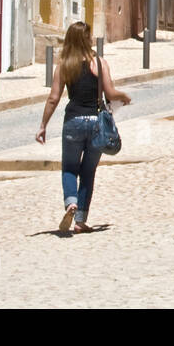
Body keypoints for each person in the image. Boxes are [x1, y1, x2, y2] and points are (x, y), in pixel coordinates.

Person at [36, 21, 131, 233]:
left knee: (69, 167)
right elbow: (111, 93)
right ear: (87, 39)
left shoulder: (63, 65)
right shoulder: (99, 63)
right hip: (96, 124)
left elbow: (53, 98)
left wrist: (43, 125)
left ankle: (71, 202)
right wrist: (124, 97)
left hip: (73, 122)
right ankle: (80, 220)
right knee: (88, 171)